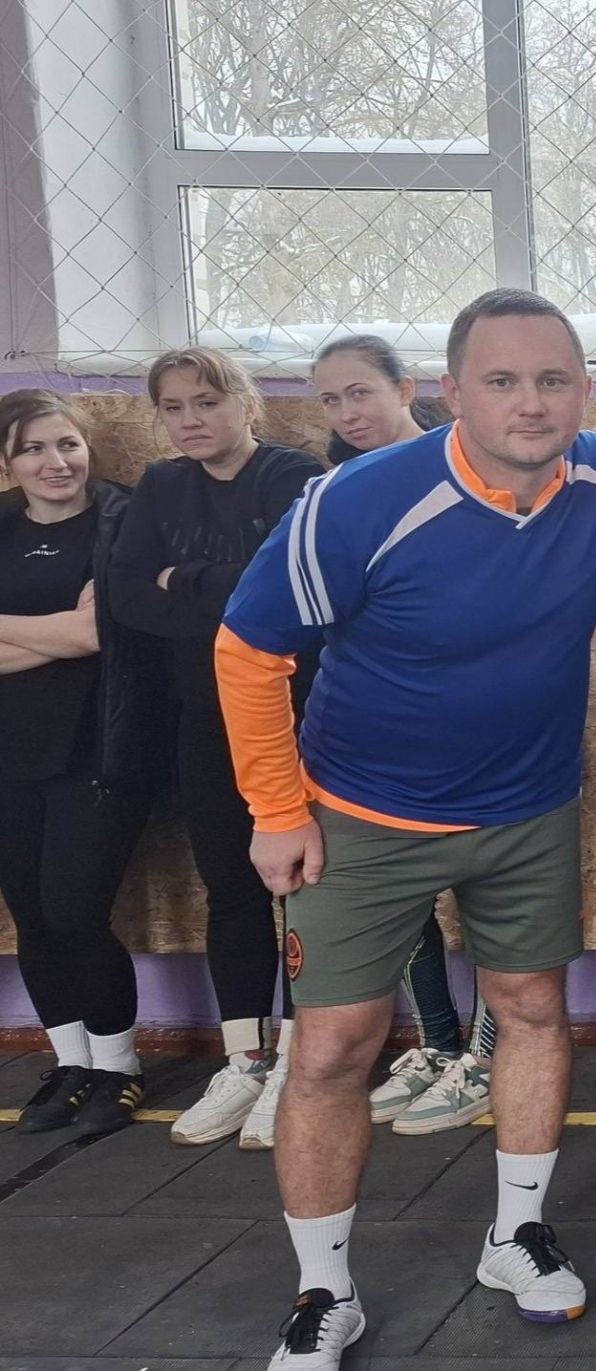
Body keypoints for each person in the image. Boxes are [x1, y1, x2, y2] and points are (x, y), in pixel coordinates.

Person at [218, 288, 596, 1368]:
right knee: (334, 1048)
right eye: (502, 381)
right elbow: (249, 650)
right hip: (363, 817)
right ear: (452, 392)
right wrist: (277, 811)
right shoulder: (359, 500)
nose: (530, 402)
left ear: (585, 391)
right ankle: (325, 1291)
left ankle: (516, 1236)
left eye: (553, 379)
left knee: (533, 1011)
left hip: (527, 809)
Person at [107, 348, 324, 1149]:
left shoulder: (292, 476)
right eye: (173, 407)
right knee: (232, 889)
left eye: (206, 401)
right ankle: (247, 1059)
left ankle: (303, 1059)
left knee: (307, 891)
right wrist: (219, 588)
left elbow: (295, 586)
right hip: (205, 718)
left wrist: (182, 580)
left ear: (245, 402)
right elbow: (128, 596)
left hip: (297, 715)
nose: (191, 419)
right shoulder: (162, 486)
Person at [310, 334, 496, 1135]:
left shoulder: (472, 467)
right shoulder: (336, 491)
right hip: (383, 740)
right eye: (331, 399)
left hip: (487, 731)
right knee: (407, 900)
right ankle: (440, 1043)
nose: (348, 412)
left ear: (407, 389)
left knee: (492, 901)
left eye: (361, 392)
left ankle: (486, 1058)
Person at [0, 389, 166, 1136]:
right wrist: (58, 631)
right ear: (9, 462)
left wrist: (58, 633)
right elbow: (71, 634)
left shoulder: (120, 521)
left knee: (73, 909)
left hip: (97, 748)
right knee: (32, 913)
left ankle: (117, 1068)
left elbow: (99, 636)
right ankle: (71, 1065)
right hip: (11, 753)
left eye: (67, 443)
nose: (55, 461)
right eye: (33, 448)